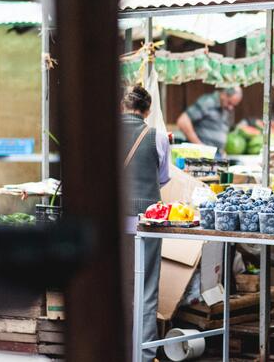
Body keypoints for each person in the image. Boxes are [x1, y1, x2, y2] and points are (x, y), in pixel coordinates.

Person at [120, 85, 171, 362]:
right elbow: (163, 178)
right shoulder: (158, 137)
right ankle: (144, 354)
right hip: (146, 224)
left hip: (111, 225)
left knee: (115, 285)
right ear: (148, 110)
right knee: (146, 288)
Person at [176, 87, 243, 150]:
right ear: (224, 94)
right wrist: (199, 146)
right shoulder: (208, 102)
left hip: (216, 155)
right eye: (229, 103)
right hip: (201, 155)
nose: (230, 108)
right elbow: (183, 122)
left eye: (234, 105)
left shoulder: (225, 109)